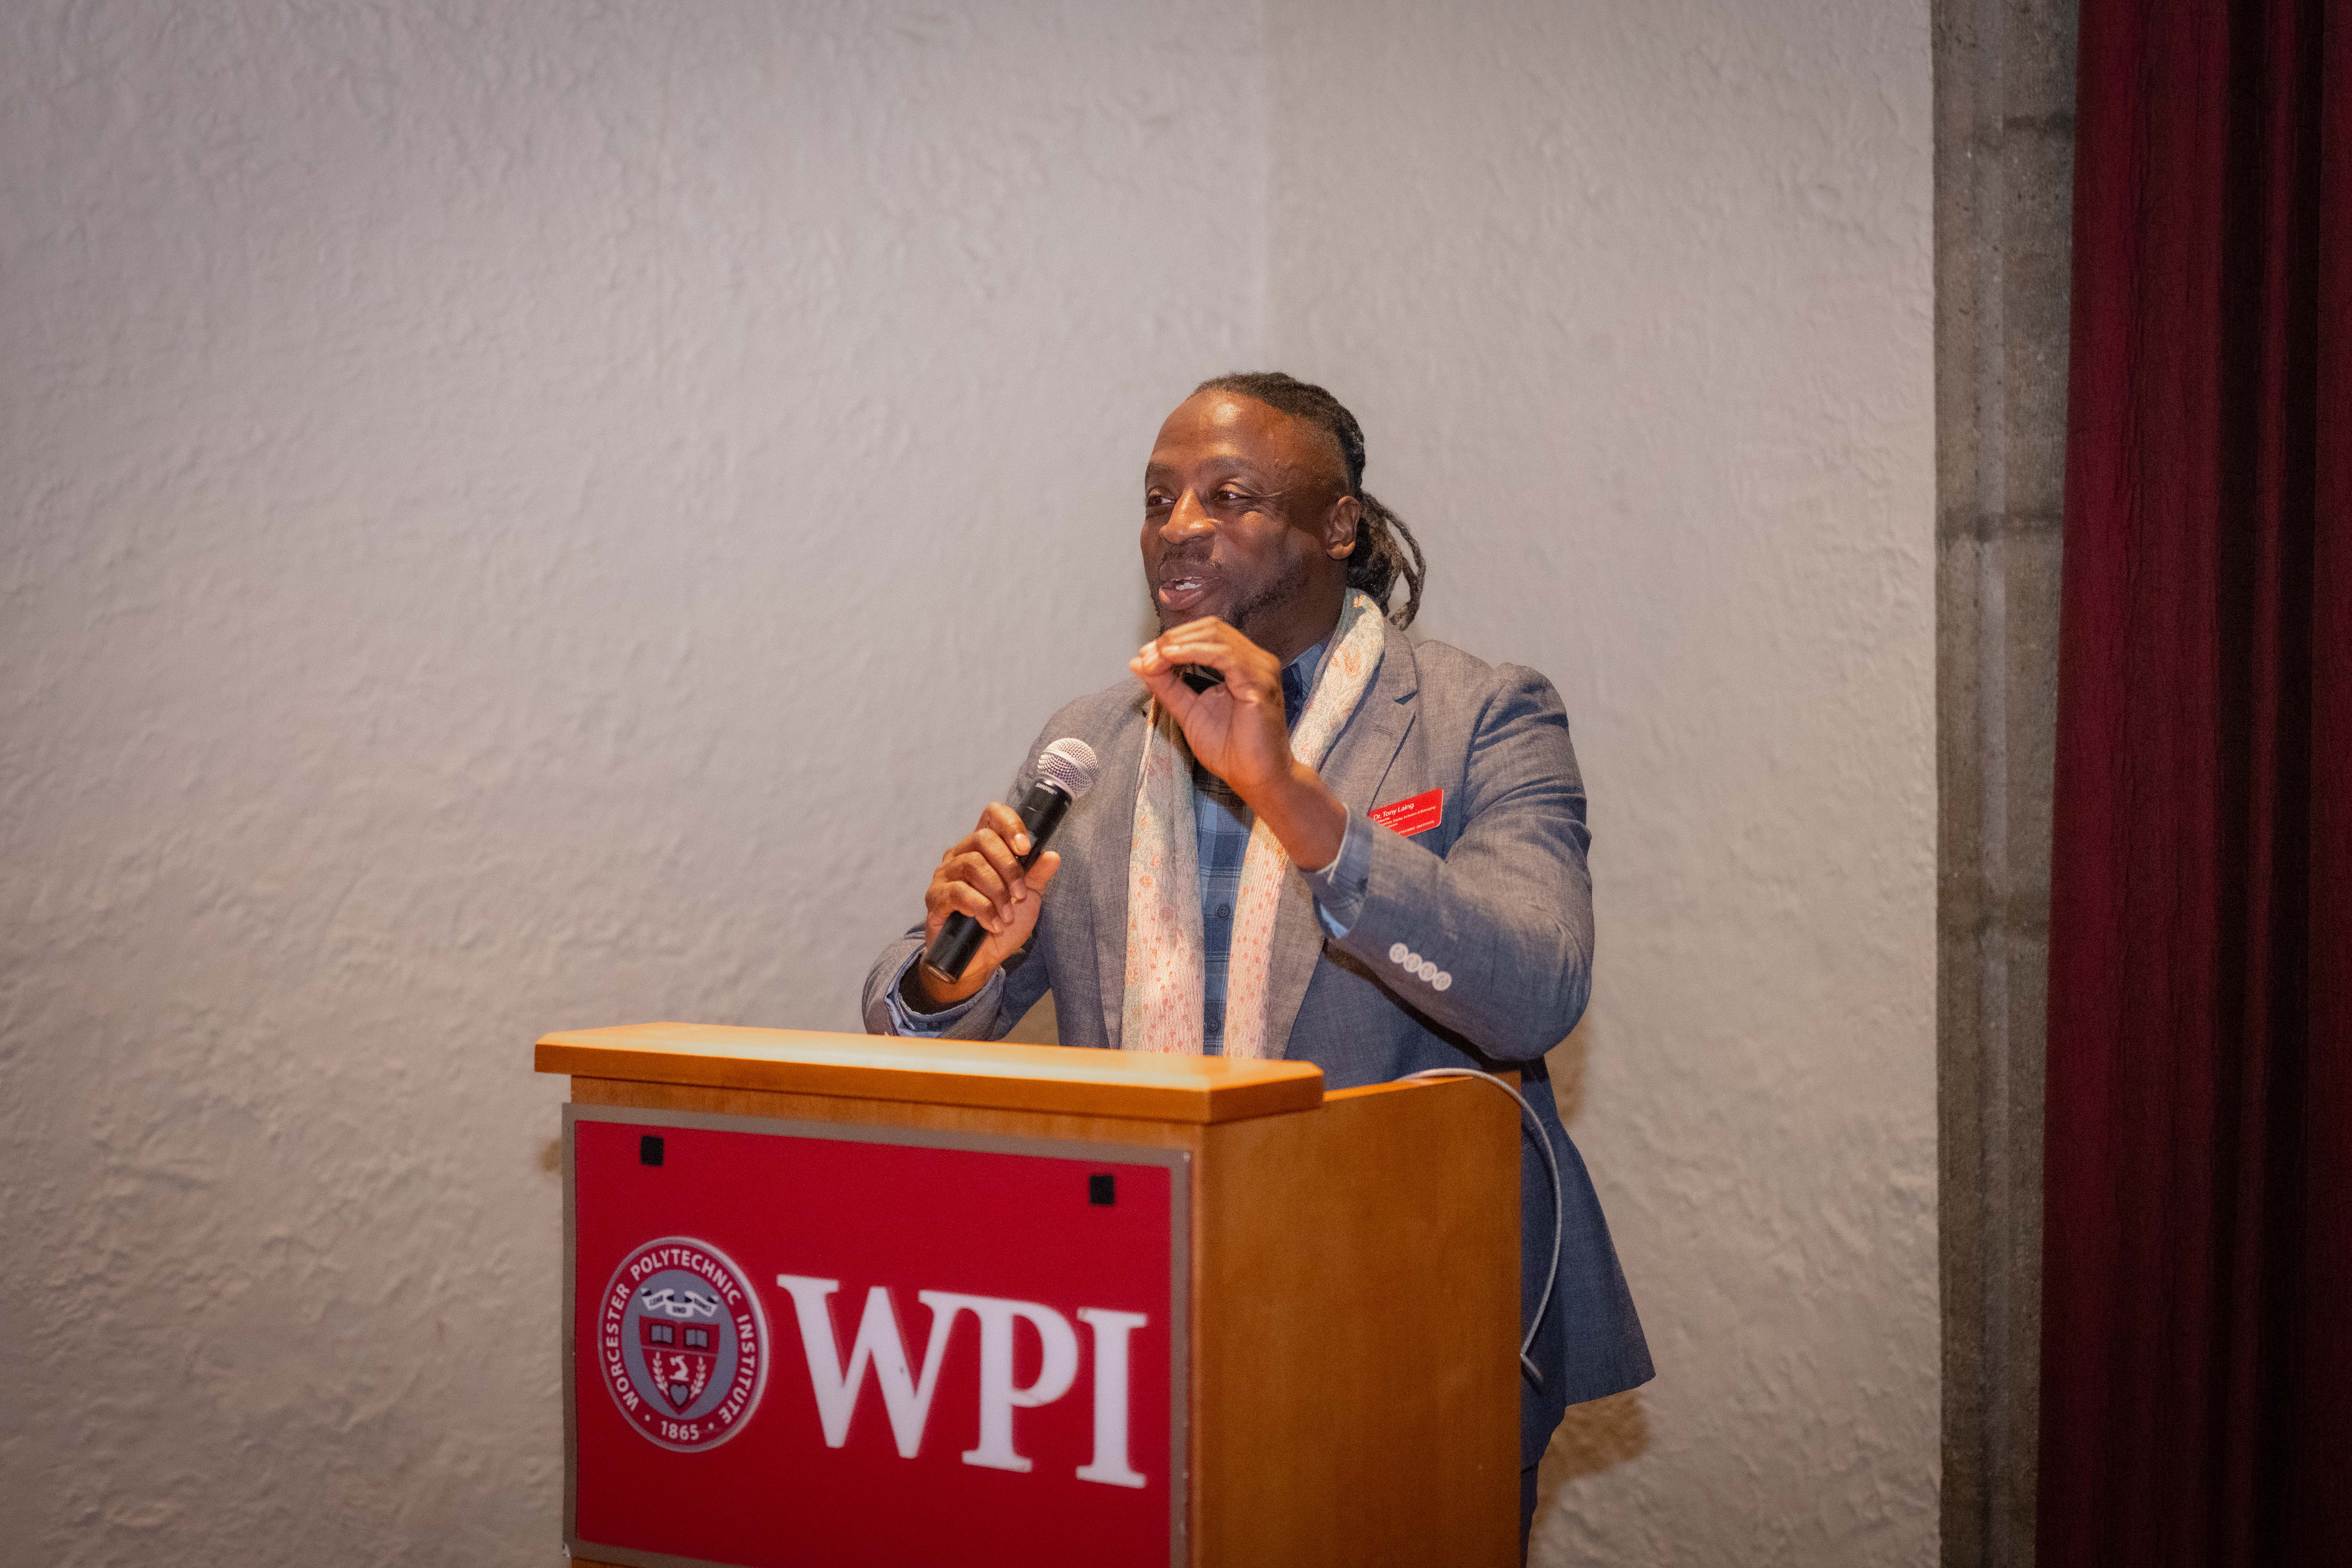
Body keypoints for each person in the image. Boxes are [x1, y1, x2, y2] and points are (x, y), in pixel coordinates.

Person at [862, 372, 1651, 1555]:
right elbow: (916, 1018)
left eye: (1229, 495)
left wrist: (1289, 796)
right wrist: (952, 971)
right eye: (1158, 497)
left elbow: (1534, 990)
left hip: (1410, 1316)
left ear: (1337, 525)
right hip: (1127, 1320)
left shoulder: (1481, 716)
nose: (1178, 525)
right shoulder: (1098, 740)